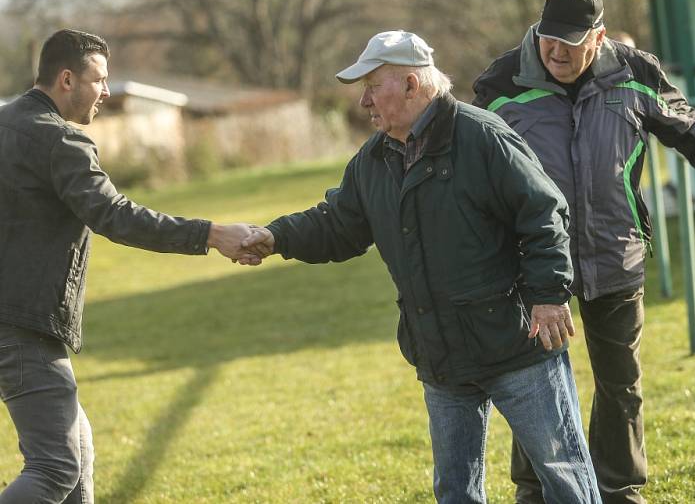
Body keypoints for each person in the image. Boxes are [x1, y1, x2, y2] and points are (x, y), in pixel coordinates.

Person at [239, 30, 600, 503]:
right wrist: (275, 237)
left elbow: (544, 213)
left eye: (372, 86)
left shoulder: (483, 137)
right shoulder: (374, 159)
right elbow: (338, 223)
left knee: (564, 477)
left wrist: (550, 296)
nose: (363, 101)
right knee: (455, 492)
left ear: (412, 85)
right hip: (440, 355)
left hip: (515, 344)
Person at [472, 0, 695, 504]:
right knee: (533, 386)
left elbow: (693, 131)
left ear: (598, 38)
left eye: (571, 43)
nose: (555, 51)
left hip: (614, 251)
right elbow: (473, 163)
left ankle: (619, 490)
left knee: (620, 383)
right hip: (532, 262)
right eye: (548, 38)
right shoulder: (501, 80)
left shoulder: (634, 73)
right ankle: (535, 492)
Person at [0, 29, 262, 504]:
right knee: (55, 468)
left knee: (77, 452)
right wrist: (212, 234)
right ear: (66, 79)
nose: (105, 91)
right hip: (22, 326)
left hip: (16, 321)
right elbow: (116, 216)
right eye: (98, 80)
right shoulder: (60, 141)